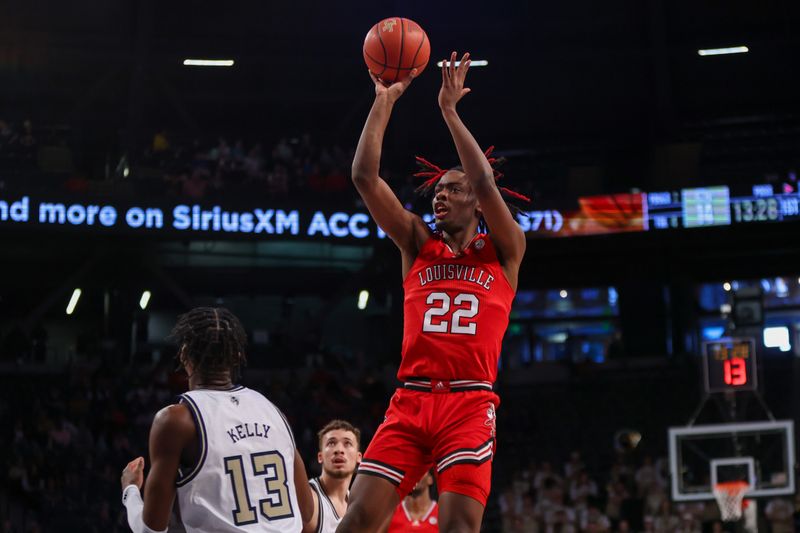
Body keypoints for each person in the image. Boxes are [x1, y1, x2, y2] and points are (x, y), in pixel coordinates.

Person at [337, 51, 527, 533]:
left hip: (468, 404)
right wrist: (384, 100)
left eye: (453, 190)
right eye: (437, 190)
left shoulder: (504, 250)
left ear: (479, 205)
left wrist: (449, 111)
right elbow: (363, 177)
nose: (441, 195)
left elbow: (483, 179)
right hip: (410, 401)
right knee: (356, 521)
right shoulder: (417, 242)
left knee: (458, 527)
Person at [120, 307, 314, 533]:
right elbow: (307, 512)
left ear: (184, 355)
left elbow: (149, 531)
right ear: (238, 356)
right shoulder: (272, 410)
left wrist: (130, 490)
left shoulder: (175, 420)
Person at [303, 420, 362, 533]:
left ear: (358, 457)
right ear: (320, 457)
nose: (339, 450)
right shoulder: (309, 498)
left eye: (347, 443)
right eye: (331, 443)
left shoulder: (357, 506)